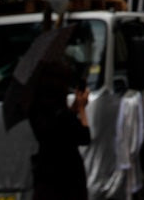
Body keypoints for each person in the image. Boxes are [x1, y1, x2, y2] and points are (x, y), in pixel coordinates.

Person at [28, 59, 91, 200]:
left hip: (46, 176)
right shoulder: (63, 116)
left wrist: (74, 109)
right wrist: (81, 108)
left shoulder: (36, 111)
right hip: (68, 178)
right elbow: (84, 136)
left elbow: (57, 127)